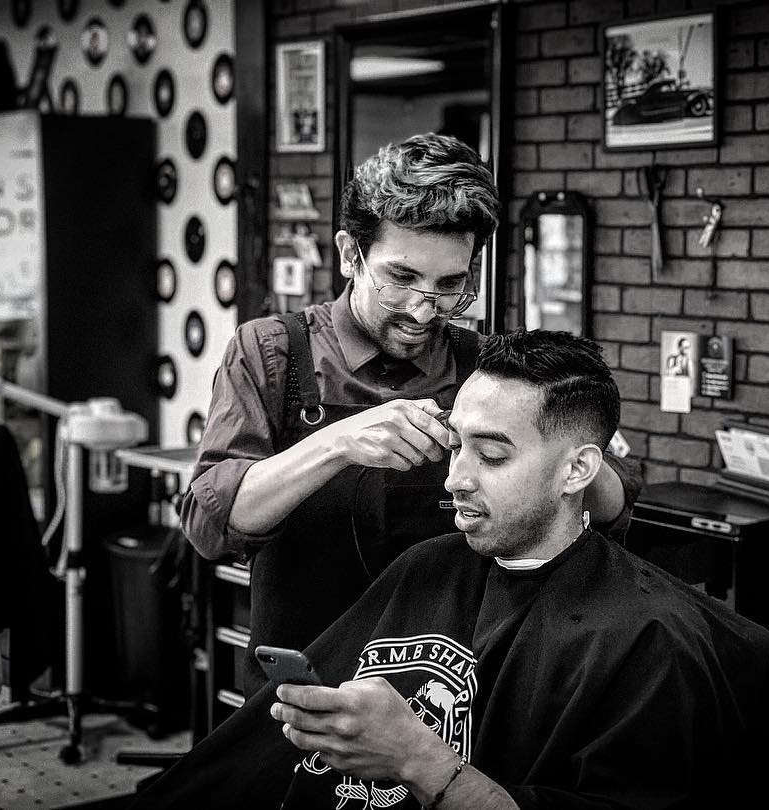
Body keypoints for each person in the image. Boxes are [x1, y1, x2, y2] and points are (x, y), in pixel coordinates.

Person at [132, 330, 769, 809]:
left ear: (578, 469)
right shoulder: (427, 568)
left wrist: (416, 759)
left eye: (491, 456)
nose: (454, 479)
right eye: (454, 446)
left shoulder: (650, 646)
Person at [179, 133, 637, 698]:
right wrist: (336, 443)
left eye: (450, 285)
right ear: (350, 254)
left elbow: (612, 509)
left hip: (448, 692)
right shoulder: (272, 353)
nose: (423, 310)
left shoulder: (484, 366)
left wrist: (568, 454)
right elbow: (209, 525)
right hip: (308, 683)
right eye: (401, 279)